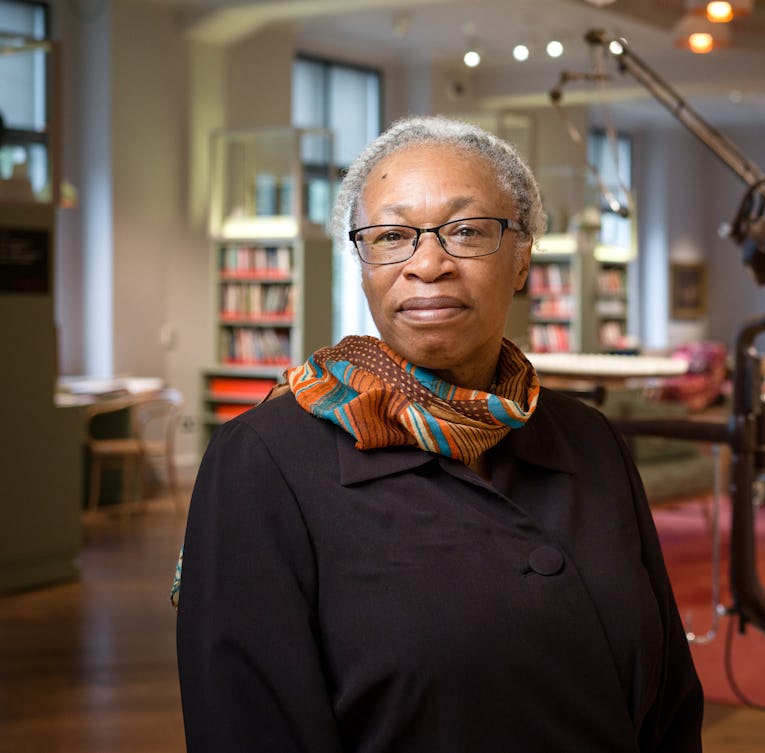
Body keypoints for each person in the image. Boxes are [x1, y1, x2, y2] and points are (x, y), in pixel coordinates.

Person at [175, 115, 704, 752]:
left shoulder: (588, 439)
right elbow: (248, 727)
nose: (428, 264)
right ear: (363, 264)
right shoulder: (262, 461)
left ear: (521, 259)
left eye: (467, 232)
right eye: (392, 236)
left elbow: (671, 698)